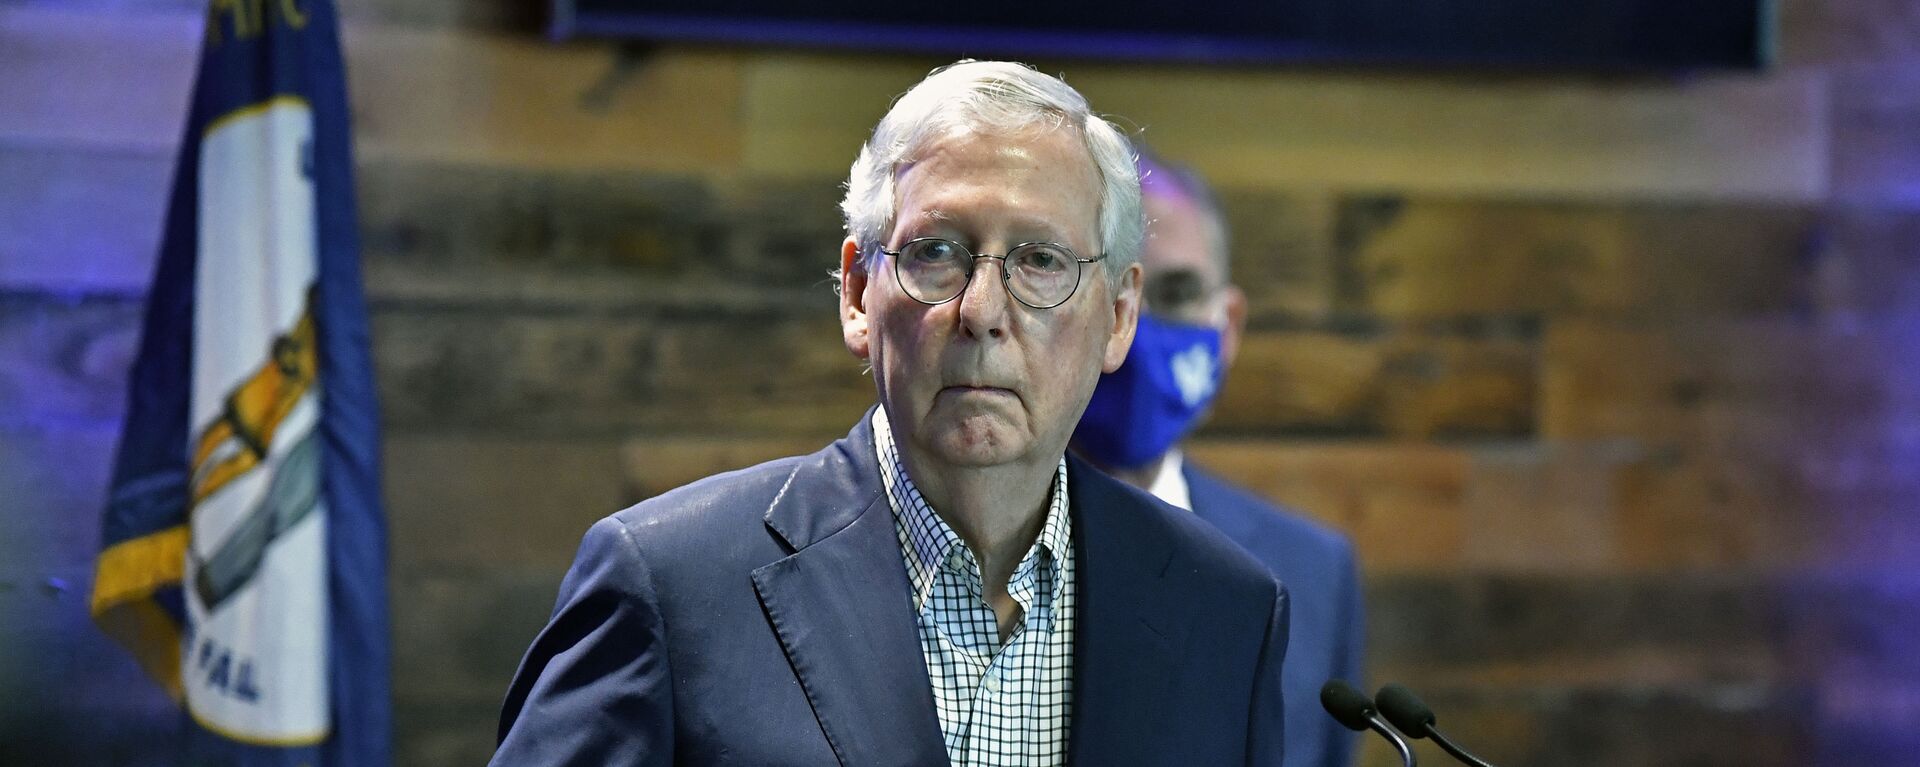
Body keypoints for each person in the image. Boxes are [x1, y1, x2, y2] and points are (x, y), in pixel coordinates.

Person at [492, 61, 1290, 766]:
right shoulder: (670, 585)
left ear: (1118, 316)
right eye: (936, 252)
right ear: (856, 296)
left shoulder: (1224, 611)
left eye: (1040, 260)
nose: (982, 310)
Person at [1071, 147, 1366, 767]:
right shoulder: (973, 547)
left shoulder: (1312, 571)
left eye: (1177, 293)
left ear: (1227, 327)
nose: (1137, 329)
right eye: (1113, 292)